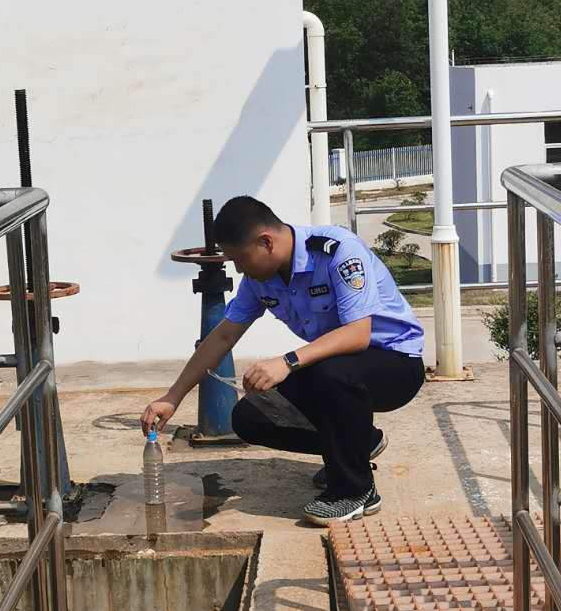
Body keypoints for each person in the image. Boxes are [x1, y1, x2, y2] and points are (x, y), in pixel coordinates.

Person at [141, 196, 425, 525]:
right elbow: (222, 337)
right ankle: (357, 445)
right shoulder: (259, 281)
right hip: (338, 369)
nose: (238, 269)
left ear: (266, 242)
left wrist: (287, 362)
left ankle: (354, 491)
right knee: (251, 415)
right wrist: (172, 398)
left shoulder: (338, 252)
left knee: (328, 373)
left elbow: (357, 335)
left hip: (395, 363)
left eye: (240, 258)